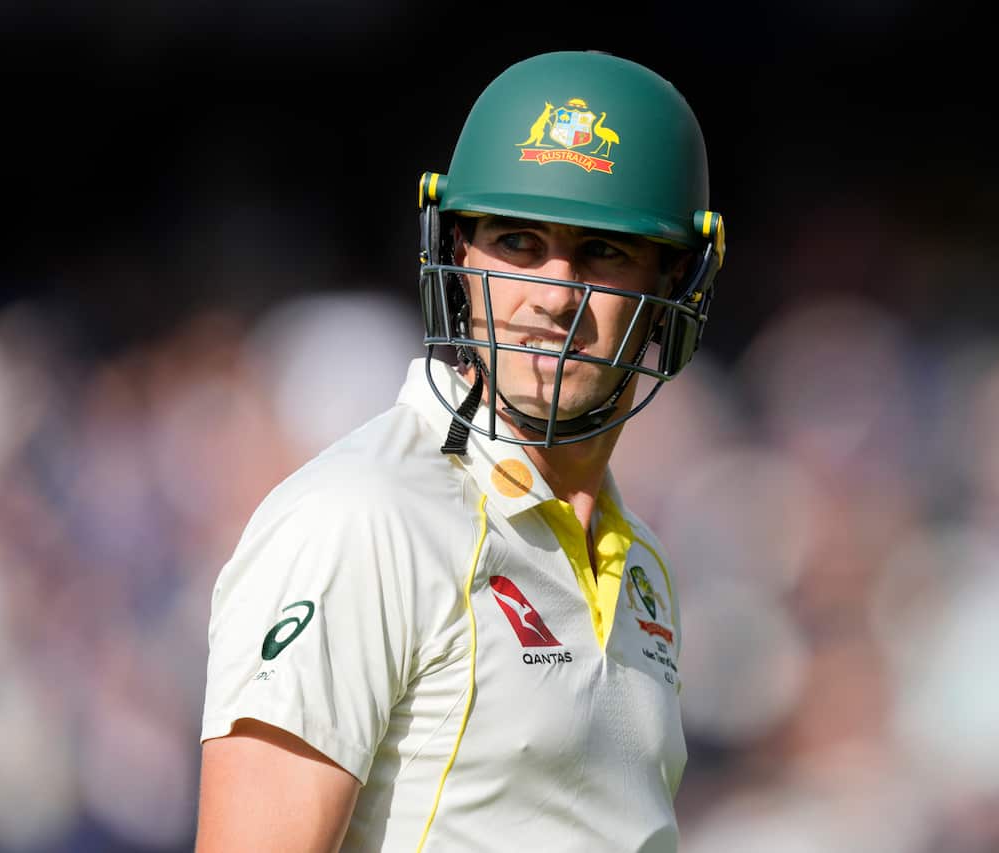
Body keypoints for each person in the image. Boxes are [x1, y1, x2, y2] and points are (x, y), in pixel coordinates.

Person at [196, 49, 725, 853]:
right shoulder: (361, 516)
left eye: (604, 253)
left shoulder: (643, 564)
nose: (553, 297)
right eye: (518, 242)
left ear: (675, 287)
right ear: (458, 257)